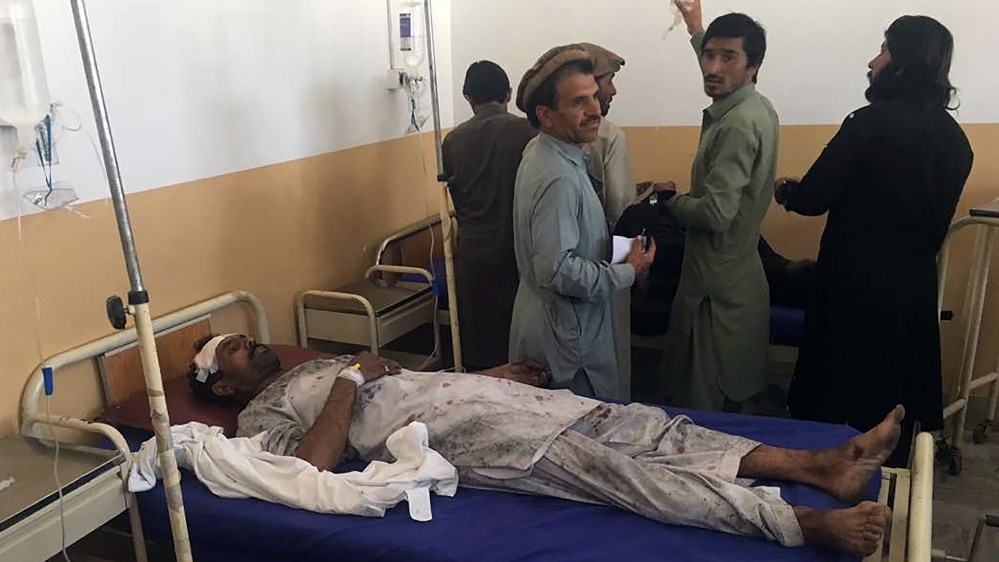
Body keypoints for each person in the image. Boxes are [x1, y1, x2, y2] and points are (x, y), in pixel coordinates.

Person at [188, 333, 902, 557]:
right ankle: (800, 524)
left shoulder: (314, 362)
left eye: (248, 337)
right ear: (222, 386)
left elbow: (414, 382)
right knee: (624, 476)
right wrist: (349, 379)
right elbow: (311, 464)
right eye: (235, 350)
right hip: (478, 438)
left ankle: (820, 465)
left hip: (496, 401)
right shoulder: (260, 416)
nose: (252, 345)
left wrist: (489, 376)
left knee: (656, 428)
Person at [777, 16, 974, 467]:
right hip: (912, 288)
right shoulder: (957, 142)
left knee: (834, 398)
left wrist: (786, 190)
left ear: (903, 60)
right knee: (892, 404)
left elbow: (813, 198)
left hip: (852, 284)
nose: (873, 61)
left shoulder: (867, 124)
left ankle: (825, 481)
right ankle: (886, 491)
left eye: (884, 49)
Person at [508, 46, 655, 399]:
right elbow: (556, 270)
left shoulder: (549, 157)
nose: (595, 110)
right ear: (545, 115)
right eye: (579, 102)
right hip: (568, 341)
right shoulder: (558, 175)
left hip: (555, 323)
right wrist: (628, 271)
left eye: (593, 97)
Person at [662, 0, 779, 412]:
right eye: (708, 55)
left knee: (703, 417)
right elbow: (718, 62)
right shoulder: (755, 106)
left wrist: (669, 201)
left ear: (753, 66)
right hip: (738, 280)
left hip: (715, 297)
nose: (712, 67)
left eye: (728, 57)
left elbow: (714, 214)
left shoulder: (737, 124)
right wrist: (696, 27)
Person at [442, 61, 538, 372]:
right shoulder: (529, 133)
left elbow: (457, 196)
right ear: (508, 94)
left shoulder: (452, 142)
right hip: (516, 254)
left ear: (467, 97)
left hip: (473, 256)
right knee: (521, 350)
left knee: (480, 352)